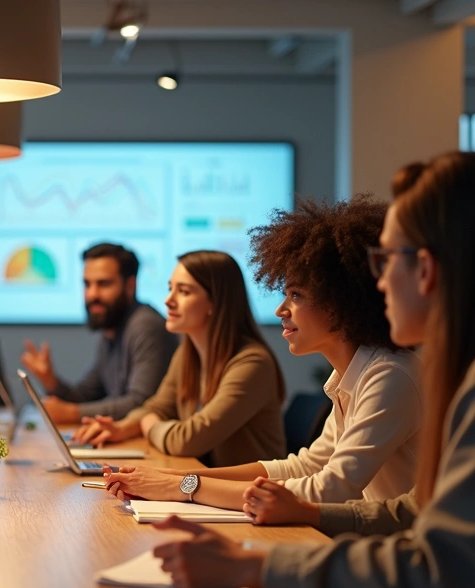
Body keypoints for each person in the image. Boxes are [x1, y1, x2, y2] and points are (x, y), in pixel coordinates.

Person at [150, 152, 475, 588]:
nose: (376, 283)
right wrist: (287, 528)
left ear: (426, 269)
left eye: (385, 261)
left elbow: (438, 575)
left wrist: (254, 568)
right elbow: (417, 511)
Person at [103, 197, 421, 517]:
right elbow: (307, 465)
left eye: (296, 295)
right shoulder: (349, 376)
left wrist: (185, 487)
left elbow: (329, 489)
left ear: (341, 302)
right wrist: (177, 478)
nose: (281, 310)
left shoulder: (388, 376)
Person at [72, 250, 286, 467]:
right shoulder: (187, 353)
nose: (168, 301)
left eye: (183, 292)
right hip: (207, 485)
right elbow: (156, 408)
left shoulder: (253, 363)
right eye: (170, 289)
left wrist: (148, 424)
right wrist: (122, 429)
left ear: (216, 302)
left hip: (247, 495)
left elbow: (188, 440)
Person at [20, 242, 175, 424]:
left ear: (130, 286)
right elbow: (84, 396)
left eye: (104, 284)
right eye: (87, 284)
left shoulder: (145, 325)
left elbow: (143, 404)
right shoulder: (112, 330)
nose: (92, 294)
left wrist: (72, 413)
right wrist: (50, 381)